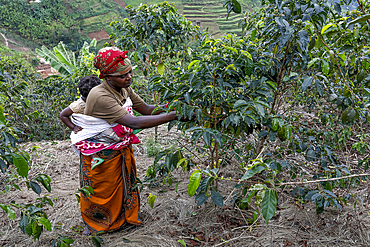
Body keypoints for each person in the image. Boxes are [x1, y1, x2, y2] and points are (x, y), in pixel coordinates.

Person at [75, 47, 180, 235]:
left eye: (130, 72)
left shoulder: (124, 88)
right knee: (103, 189)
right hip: (102, 152)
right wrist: (172, 116)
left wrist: (174, 106)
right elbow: (133, 122)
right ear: (107, 76)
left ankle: (122, 218)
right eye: (122, 75)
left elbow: (147, 109)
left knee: (122, 184)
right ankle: (99, 223)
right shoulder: (100, 96)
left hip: (119, 147)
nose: (129, 77)